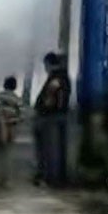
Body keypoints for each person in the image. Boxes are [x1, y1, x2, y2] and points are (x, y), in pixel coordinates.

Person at [33, 52, 71, 187]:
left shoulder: (56, 78)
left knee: (50, 149)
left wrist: (42, 111)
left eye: (45, 65)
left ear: (48, 64)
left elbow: (49, 99)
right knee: (56, 149)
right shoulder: (63, 76)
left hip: (51, 117)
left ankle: (51, 178)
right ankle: (56, 177)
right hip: (57, 116)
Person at [0, 76, 22, 188]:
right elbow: (20, 116)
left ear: (4, 85)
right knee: (7, 155)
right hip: (11, 128)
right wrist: (11, 121)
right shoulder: (17, 99)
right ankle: (5, 180)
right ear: (15, 86)